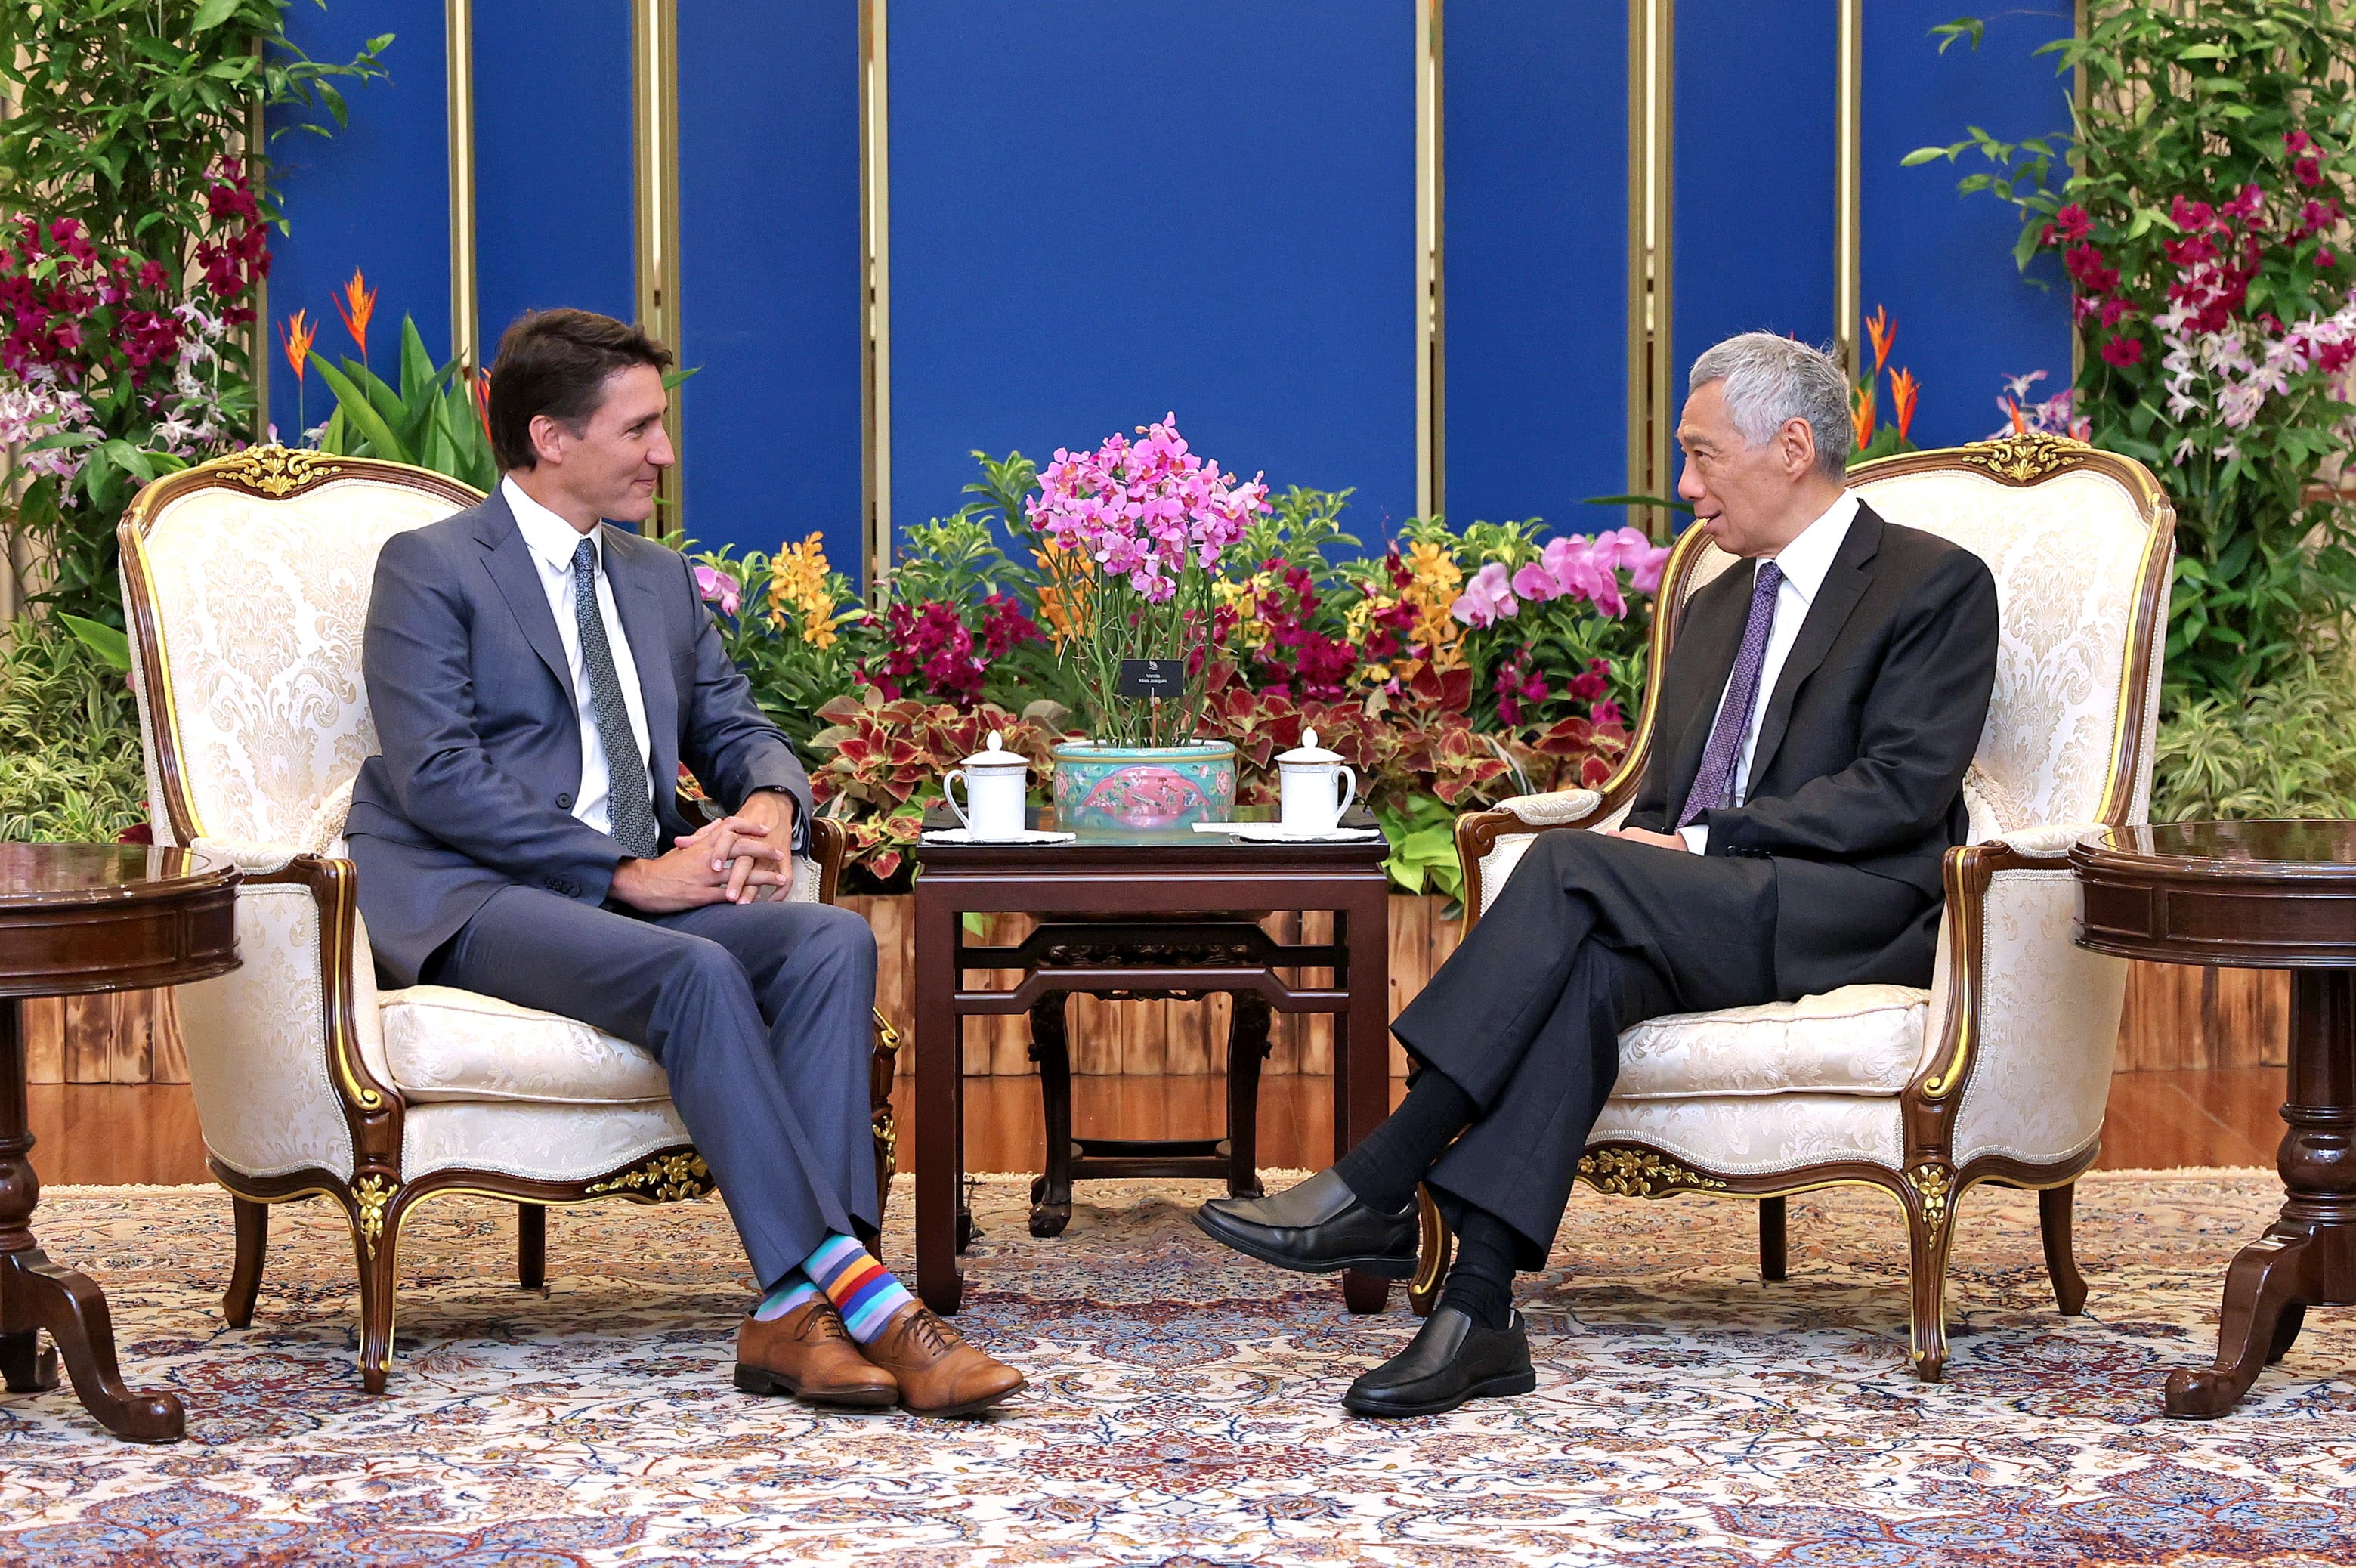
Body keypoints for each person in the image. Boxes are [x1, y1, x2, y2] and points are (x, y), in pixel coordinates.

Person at [1195, 332, 1999, 1418]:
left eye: (1703, 455)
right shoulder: (1716, 602)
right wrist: (1668, 857)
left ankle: (1384, 1176)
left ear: (1792, 446)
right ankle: (1478, 1314)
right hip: (1708, 908)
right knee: (1587, 972)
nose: (1686, 489)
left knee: (1573, 866)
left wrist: (1700, 849)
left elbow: (1900, 791)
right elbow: (1665, 798)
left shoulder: (1932, 584)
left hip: (1847, 909)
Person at [346, 307, 1022, 1418]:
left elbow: (735, 723)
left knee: (828, 942)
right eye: (639, 429)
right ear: (551, 437)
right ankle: (868, 1299)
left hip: (632, 891)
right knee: (697, 971)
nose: (663, 453)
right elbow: (439, 777)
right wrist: (624, 876)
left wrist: (766, 804)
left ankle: (797, 1314)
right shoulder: (432, 568)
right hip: (479, 895)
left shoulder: (656, 578)